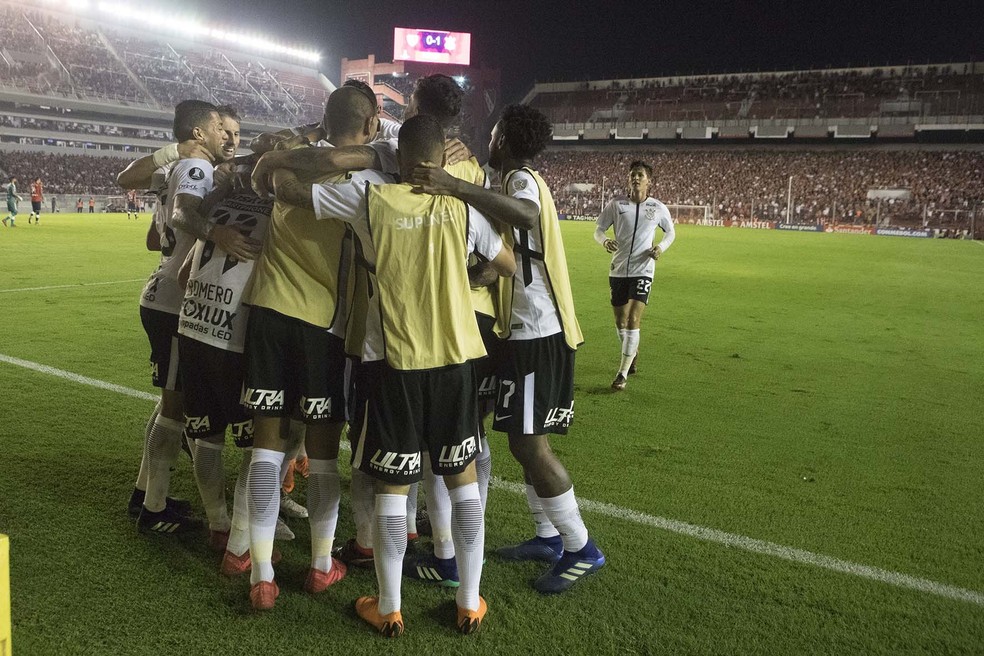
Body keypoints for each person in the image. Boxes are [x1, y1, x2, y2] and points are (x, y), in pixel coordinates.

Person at [272, 114, 515, 635]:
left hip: (393, 364)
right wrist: (461, 274)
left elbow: (292, 193)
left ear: (398, 158)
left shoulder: (368, 197)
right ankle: (470, 601)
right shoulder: (461, 206)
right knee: (462, 483)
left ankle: (389, 605)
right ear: (442, 157)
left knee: (392, 488)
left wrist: (276, 161)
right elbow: (507, 264)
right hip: (454, 360)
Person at [408, 104, 605, 594]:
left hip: (539, 332)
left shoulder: (522, 178)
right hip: (519, 332)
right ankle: (546, 536)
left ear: (506, 140)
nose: (489, 141)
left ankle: (582, 547)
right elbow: (512, 253)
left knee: (527, 443)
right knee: (515, 435)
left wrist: (455, 185)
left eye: (493, 134)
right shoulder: (509, 181)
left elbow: (526, 213)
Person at [235, 85, 388, 611]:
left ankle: (261, 575)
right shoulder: (370, 180)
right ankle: (321, 567)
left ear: (324, 118)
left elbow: (263, 176)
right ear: (370, 125)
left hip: (268, 313)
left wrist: (281, 153)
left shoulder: (284, 168)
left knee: (266, 450)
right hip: (323, 328)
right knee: (322, 461)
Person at [123, 99, 239, 535]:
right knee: (175, 409)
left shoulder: (185, 168)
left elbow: (156, 228)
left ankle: (145, 491)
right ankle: (154, 510)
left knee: (169, 401)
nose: (225, 137)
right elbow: (181, 214)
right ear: (198, 134)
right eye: (219, 129)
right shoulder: (197, 169)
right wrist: (216, 229)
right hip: (174, 301)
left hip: (164, 295)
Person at [594, 160, 675, 390]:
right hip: (618, 269)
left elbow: (670, 232)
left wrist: (660, 247)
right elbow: (598, 229)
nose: (635, 178)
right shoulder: (616, 204)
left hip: (643, 270)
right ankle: (632, 352)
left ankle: (622, 374)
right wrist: (605, 240)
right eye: (632, 175)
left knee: (632, 319)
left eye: (640, 175)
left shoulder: (658, 208)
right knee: (620, 321)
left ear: (649, 181)